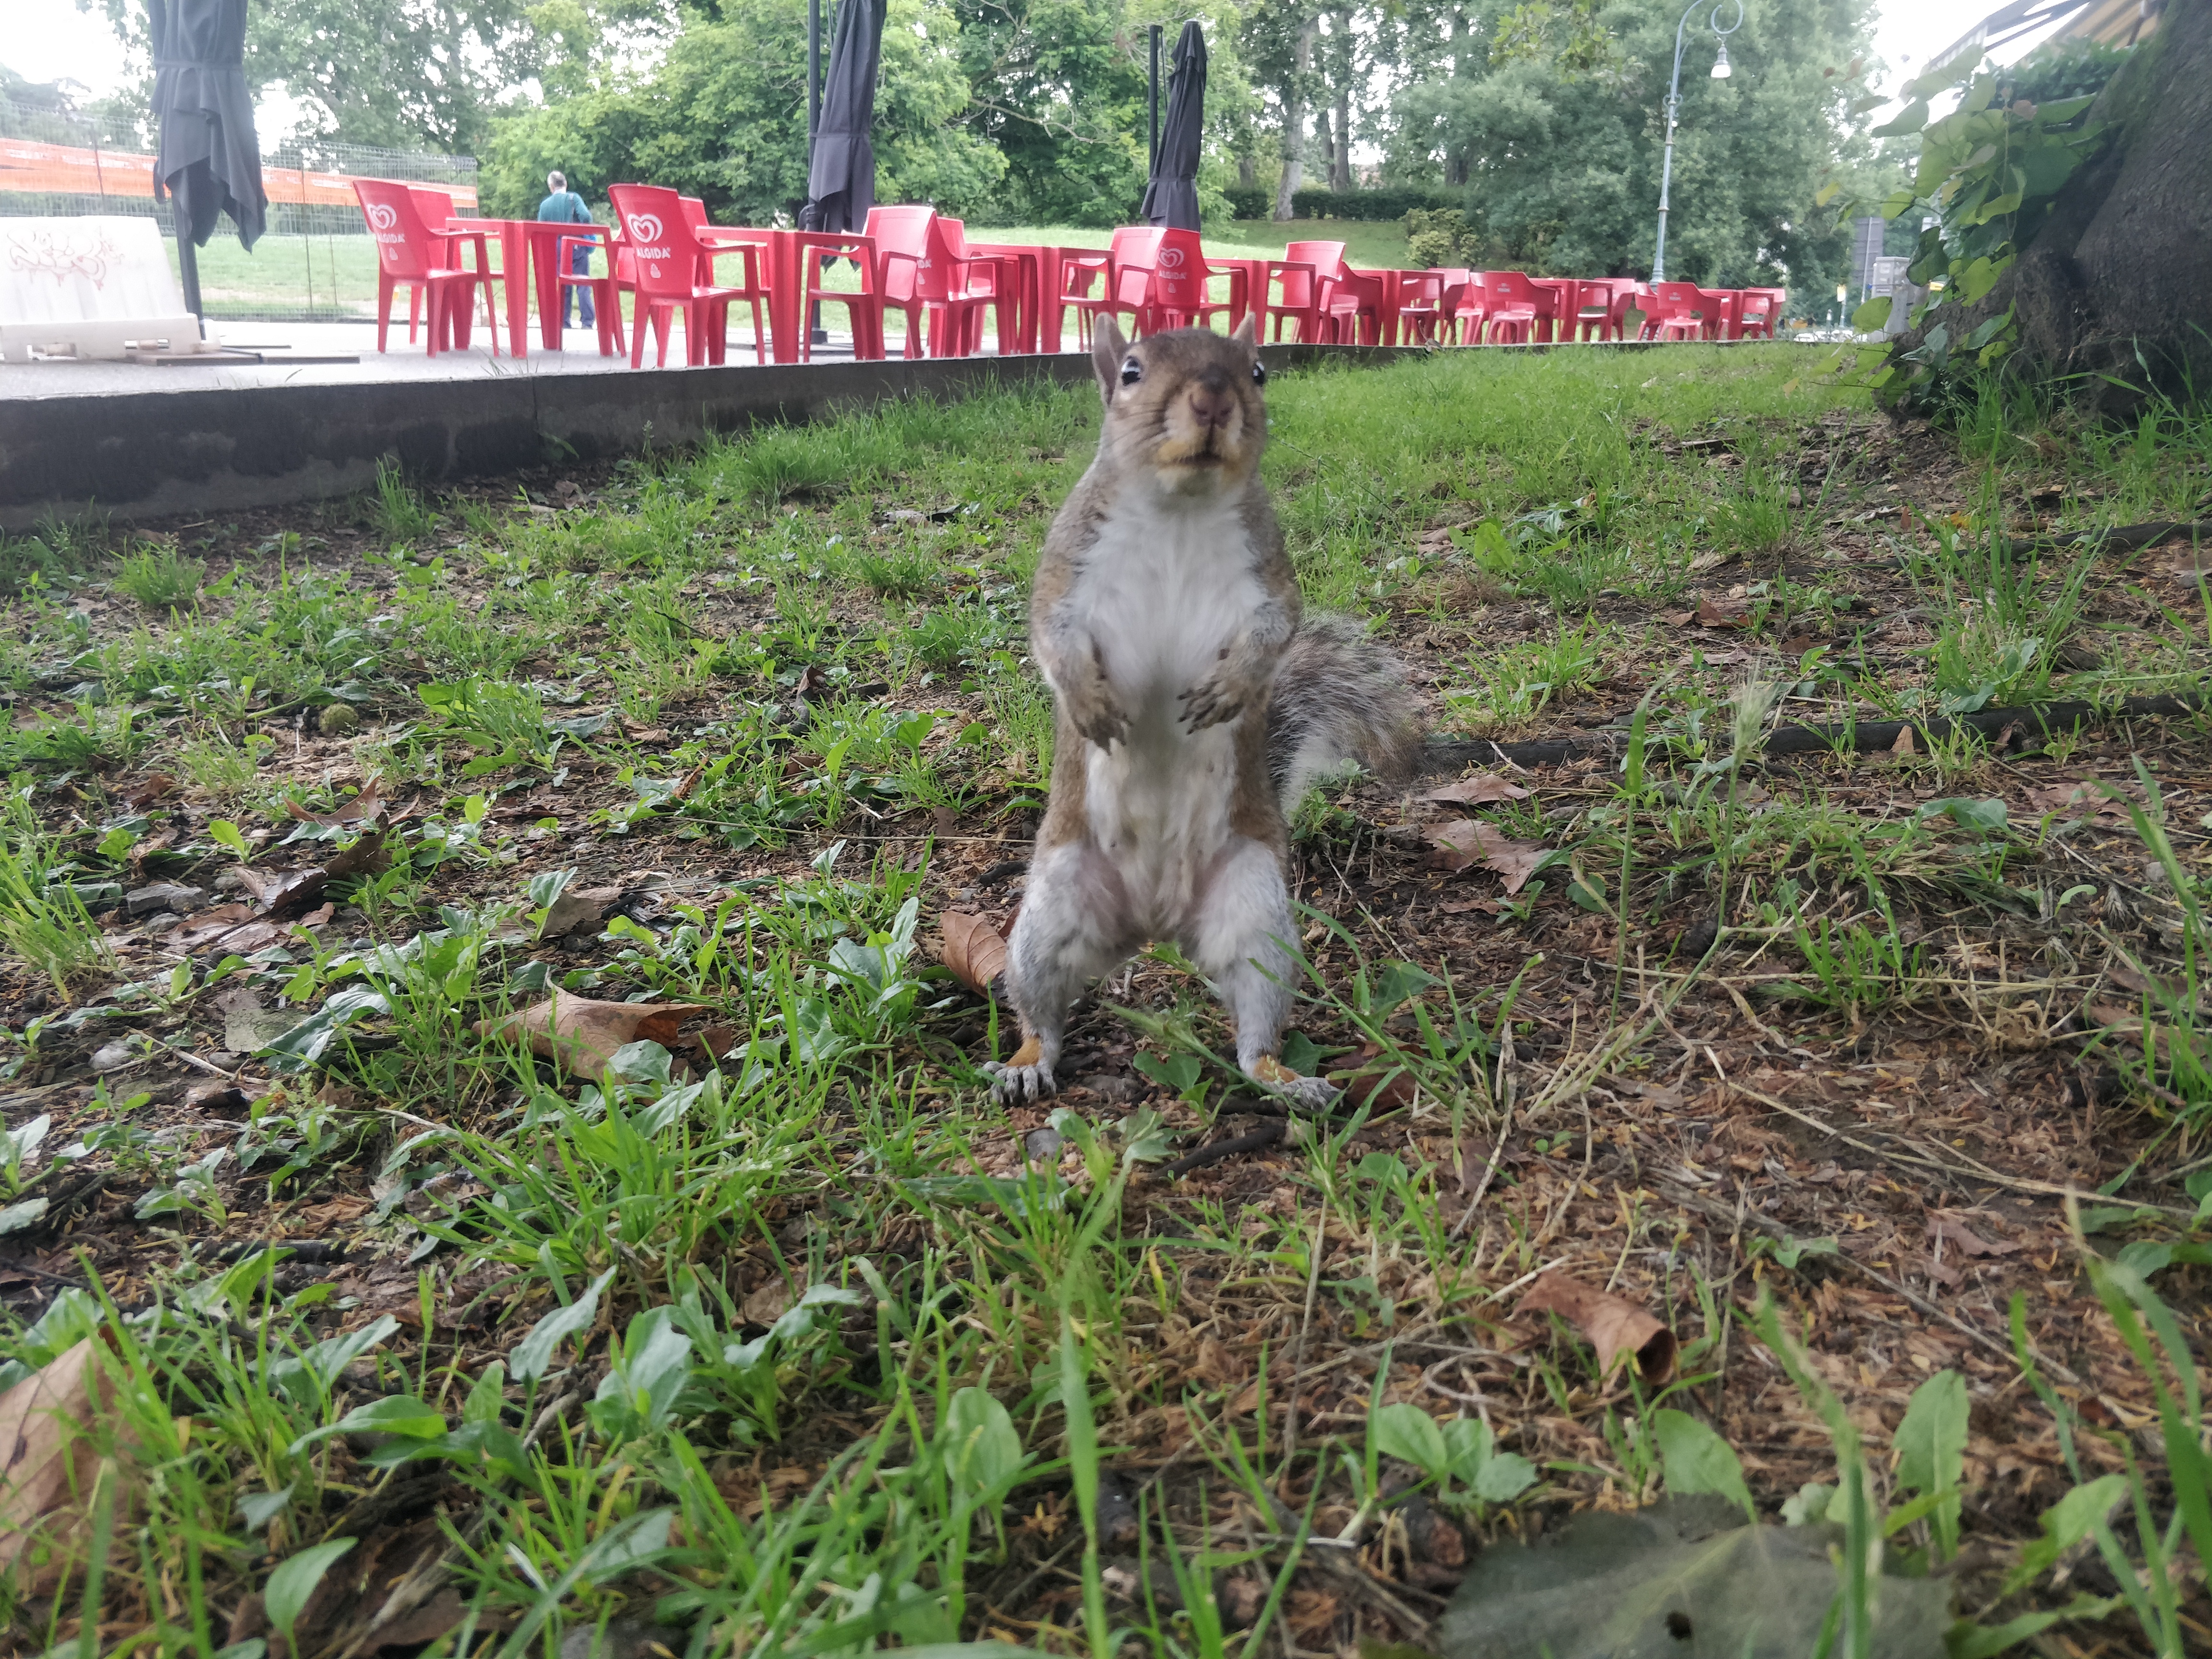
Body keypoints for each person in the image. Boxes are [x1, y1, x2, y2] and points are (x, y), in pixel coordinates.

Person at [537, 170, 596, 330]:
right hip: (576, 246)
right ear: (566, 184)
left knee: (563, 285)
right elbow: (586, 217)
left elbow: (540, 228)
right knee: (583, 283)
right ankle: (587, 322)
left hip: (557, 248)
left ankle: (564, 321)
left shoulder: (545, 205)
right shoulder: (574, 198)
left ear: (551, 187)